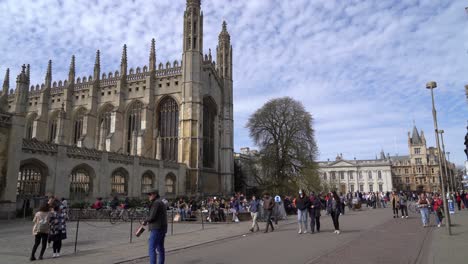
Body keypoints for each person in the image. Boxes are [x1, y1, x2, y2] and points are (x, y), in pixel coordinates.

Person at [144, 189, 168, 264]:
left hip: (156, 228)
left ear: (155, 194)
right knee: (160, 248)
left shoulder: (156, 203)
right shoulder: (160, 202)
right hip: (162, 228)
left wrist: (145, 221)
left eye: (150, 194)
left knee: (152, 248)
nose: (149, 196)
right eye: (148, 195)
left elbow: (152, 216)